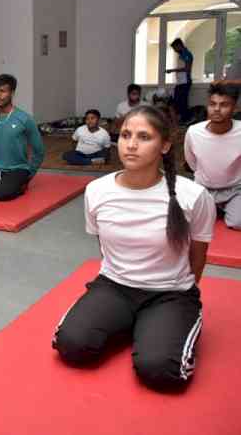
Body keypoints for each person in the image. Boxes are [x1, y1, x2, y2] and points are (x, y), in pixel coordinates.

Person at [53, 105, 215, 391]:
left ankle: (158, 323)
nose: (131, 144)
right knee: (72, 345)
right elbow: (103, 247)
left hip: (170, 294)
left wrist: (181, 288)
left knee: (161, 371)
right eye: (126, 135)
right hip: (114, 286)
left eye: (144, 137)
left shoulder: (193, 195)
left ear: (165, 145)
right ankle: (134, 321)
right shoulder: (97, 191)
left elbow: (198, 253)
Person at [184, 84, 241, 230]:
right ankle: (216, 208)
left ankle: (223, 208)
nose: (216, 109)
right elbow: (192, 163)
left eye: (224, 105)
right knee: (185, 219)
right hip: (203, 188)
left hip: (235, 189)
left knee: (237, 222)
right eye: (212, 104)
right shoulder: (194, 132)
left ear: (235, 108)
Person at [166, 38, 194, 124]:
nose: (174, 50)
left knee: (182, 102)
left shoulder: (187, 54)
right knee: (177, 101)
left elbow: (187, 68)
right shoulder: (181, 55)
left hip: (185, 82)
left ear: (179, 45)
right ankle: (182, 118)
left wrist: (172, 70)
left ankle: (188, 119)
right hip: (180, 82)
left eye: (175, 48)